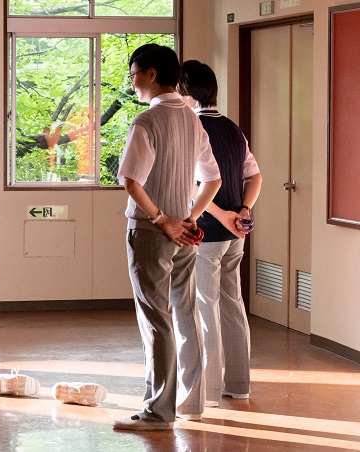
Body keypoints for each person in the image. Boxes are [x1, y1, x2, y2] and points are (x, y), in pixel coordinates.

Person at [114, 44, 222, 431]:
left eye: (134, 75)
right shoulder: (192, 119)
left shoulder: (147, 121)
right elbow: (213, 179)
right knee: (184, 313)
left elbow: (132, 182)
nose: (133, 83)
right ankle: (187, 402)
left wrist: (163, 220)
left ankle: (158, 412)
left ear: (152, 74)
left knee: (155, 320)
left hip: (152, 232)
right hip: (184, 236)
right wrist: (188, 219)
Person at [177, 60, 262, 406]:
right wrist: (243, 210)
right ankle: (239, 384)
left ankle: (209, 392)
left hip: (206, 233)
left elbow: (197, 185)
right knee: (233, 305)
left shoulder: (192, 128)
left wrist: (223, 215)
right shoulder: (232, 128)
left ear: (186, 91)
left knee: (205, 307)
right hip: (235, 236)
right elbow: (255, 176)